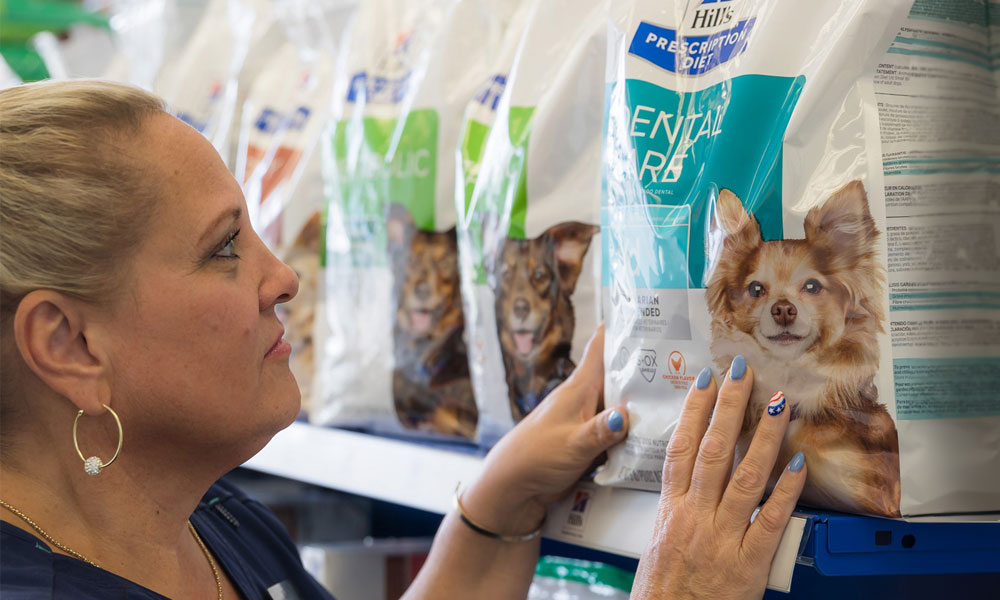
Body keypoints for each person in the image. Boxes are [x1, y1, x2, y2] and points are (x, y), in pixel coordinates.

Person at [0, 79, 806, 599]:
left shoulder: (210, 522)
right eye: (223, 248)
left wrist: (495, 506)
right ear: (68, 343)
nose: (285, 277)